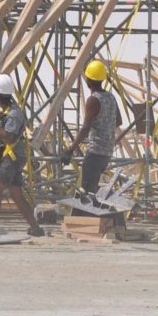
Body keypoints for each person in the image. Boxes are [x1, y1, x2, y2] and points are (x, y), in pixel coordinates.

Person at [0, 72, 44, 236]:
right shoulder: (10, 111)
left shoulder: (13, 114)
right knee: (16, 194)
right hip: (14, 157)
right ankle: (36, 228)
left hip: (13, 157)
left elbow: (9, 138)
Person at [66, 59, 127, 207]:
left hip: (95, 152)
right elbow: (118, 121)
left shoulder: (93, 100)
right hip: (107, 152)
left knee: (86, 191)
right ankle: (98, 216)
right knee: (91, 189)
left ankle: (92, 221)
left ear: (88, 80)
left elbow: (86, 128)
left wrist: (70, 149)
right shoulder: (111, 97)